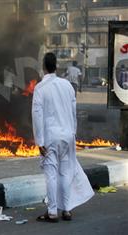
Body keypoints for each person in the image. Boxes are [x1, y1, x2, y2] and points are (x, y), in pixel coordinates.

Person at [32, 52, 94, 222]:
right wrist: (73, 133)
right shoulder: (67, 85)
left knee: (51, 173)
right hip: (67, 136)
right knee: (65, 172)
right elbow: (73, 112)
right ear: (56, 66)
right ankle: (66, 210)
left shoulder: (40, 88)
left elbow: (37, 115)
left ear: (44, 67)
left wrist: (39, 141)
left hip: (50, 137)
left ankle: (52, 212)